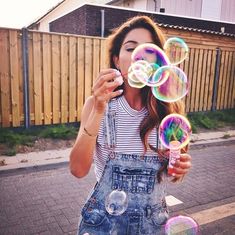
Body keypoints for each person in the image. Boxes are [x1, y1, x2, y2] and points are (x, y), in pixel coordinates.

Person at [70, 15, 192, 235]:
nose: (141, 58)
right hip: (102, 225)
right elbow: (78, 170)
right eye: (131, 49)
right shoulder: (97, 105)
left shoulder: (169, 112)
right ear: (117, 60)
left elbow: (175, 172)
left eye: (150, 50)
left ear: (160, 63)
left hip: (152, 226)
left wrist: (179, 169)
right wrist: (98, 109)